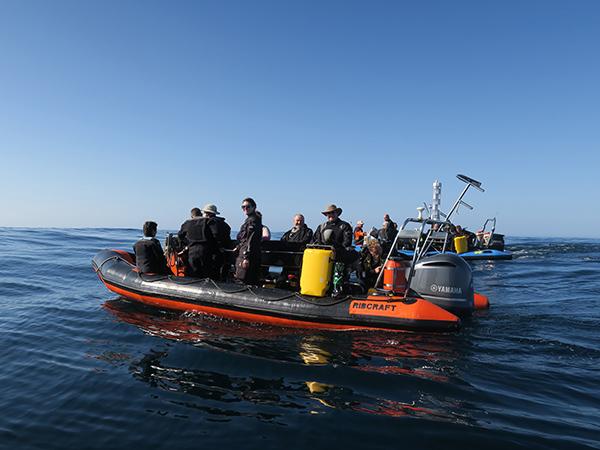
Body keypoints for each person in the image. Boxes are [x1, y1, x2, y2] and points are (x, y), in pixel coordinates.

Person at [178, 207, 216, 278]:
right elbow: (215, 234)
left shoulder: (187, 223)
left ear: (192, 216)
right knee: (206, 273)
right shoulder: (207, 221)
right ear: (201, 214)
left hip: (192, 250)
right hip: (205, 250)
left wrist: (186, 244)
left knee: (193, 273)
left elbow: (180, 235)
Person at [201, 203, 232, 280]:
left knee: (211, 275)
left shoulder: (210, 223)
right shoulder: (225, 224)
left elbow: (215, 235)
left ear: (207, 214)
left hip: (213, 253)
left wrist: (219, 246)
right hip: (224, 254)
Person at [235, 197, 262, 284]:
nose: (245, 209)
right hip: (247, 253)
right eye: (243, 207)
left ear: (254, 207)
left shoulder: (253, 221)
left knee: (244, 279)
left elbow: (251, 239)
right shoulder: (250, 220)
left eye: (248, 206)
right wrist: (238, 247)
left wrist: (246, 257)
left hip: (247, 255)